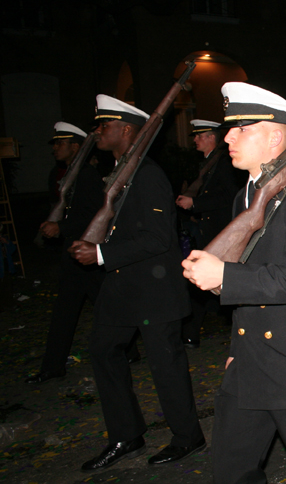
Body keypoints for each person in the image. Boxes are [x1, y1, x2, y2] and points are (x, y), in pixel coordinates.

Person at [182, 82, 286, 484]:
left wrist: (224, 276)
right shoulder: (246, 196)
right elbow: (253, 278)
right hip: (250, 363)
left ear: (275, 136)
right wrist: (237, 348)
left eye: (241, 129)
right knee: (230, 470)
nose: (227, 137)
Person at [70, 95, 205, 472]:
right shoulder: (117, 172)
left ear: (126, 130)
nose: (98, 132)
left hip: (154, 290)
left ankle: (187, 436)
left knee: (166, 367)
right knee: (102, 351)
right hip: (121, 289)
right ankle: (126, 433)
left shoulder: (147, 174)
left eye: (104, 125)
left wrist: (100, 256)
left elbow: (158, 237)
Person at [27, 123, 105, 384]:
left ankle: (129, 349)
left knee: (107, 306)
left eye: (60, 144)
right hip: (72, 254)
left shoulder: (87, 175)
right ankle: (53, 364)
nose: (55, 149)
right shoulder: (60, 175)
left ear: (75, 146)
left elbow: (91, 214)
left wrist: (61, 227)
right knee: (65, 311)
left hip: (86, 253)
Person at [175, 119, 239, 347]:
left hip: (219, 230)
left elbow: (228, 195)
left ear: (211, 137)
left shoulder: (223, 161)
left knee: (212, 280)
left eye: (199, 136)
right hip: (208, 228)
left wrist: (196, 203)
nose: (194, 140)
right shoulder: (209, 161)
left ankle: (194, 331)